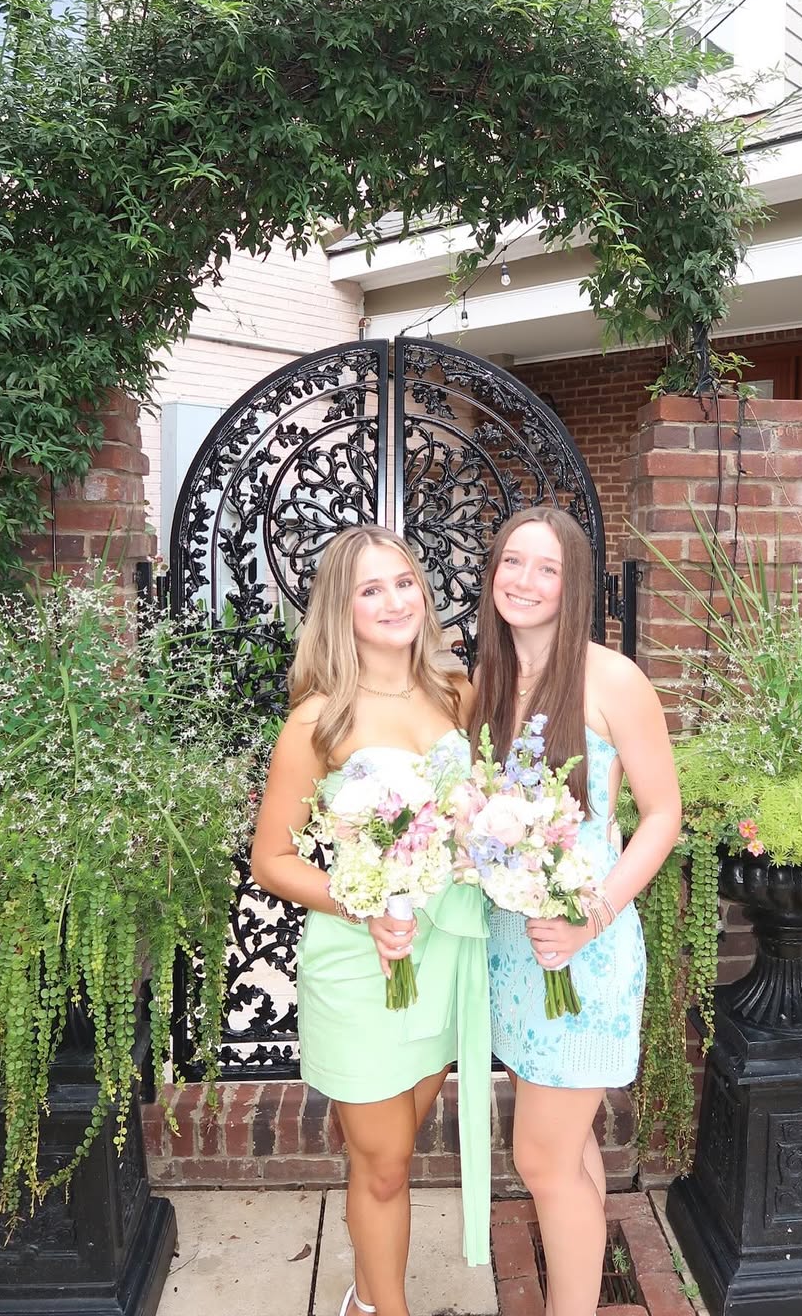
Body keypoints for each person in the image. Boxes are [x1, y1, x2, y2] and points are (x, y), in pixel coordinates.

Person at [251, 525, 490, 1316]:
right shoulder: (317, 722)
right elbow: (272, 859)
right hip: (363, 960)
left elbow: (481, 811)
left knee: (395, 1146)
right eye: (370, 589)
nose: (394, 601)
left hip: (445, 952)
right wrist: (361, 902)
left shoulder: (457, 694)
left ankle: (363, 1298)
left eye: (404, 582)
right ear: (342, 610)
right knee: (384, 1163)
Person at [470, 508, 682, 1316]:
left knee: (542, 1160)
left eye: (547, 568)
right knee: (568, 1150)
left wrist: (591, 916)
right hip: (515, 951)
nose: (524, 581)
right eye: (512, 562)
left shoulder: (612, 679)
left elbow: (662, 815)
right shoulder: (488, 679)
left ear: (575, 586)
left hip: (585, 951)